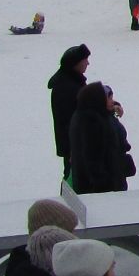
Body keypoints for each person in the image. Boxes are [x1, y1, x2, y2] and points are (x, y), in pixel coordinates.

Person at [67, 82, 134, 194]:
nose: (113, 101)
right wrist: (105, 185)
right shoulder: (91, 123)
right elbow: (93, 158)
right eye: (109, 98)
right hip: (101, 188)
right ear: (98, 100)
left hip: (109, 180)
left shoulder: (92, 114)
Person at [47, 44, 90, 179]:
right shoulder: (66, 87)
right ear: (75, 63)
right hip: (75, 147)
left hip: (78, 145)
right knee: (73, 180)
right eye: (85, 60)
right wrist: (72, 148)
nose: (88, 63)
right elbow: (66, 121)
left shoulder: (74, 81)